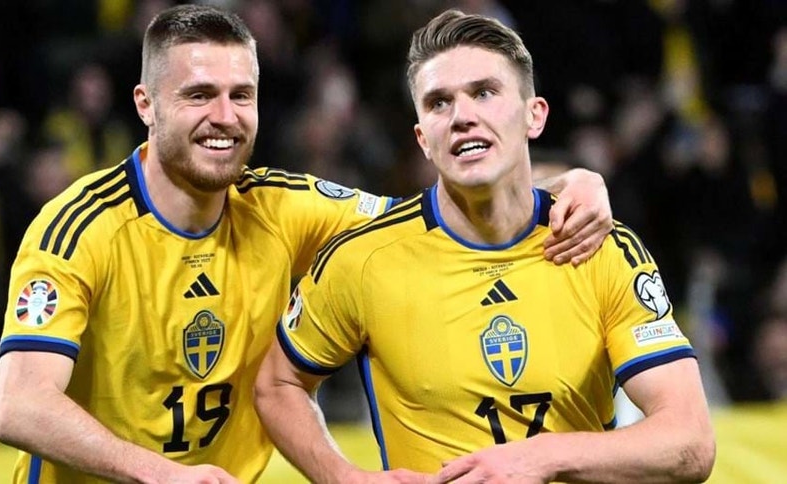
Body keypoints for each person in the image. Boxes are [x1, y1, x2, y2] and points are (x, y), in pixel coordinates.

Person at [0, 5, 613, 484]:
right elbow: (19, 404)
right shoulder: (79, 227)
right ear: (146, 104)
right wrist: (158, 474)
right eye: (199, 95)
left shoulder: (283, 208)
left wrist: (566, 182)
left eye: (242, 95)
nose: (224, 116)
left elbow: (439, 214)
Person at [254, 9, 716, 484]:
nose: (462, 117)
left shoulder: (598, 244)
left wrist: (540, 457)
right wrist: (344, 478)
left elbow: (690, 441)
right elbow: (277, 383)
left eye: (484, 93)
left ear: (534, 115)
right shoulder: (363, 258)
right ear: (423, 139)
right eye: (439, 103)